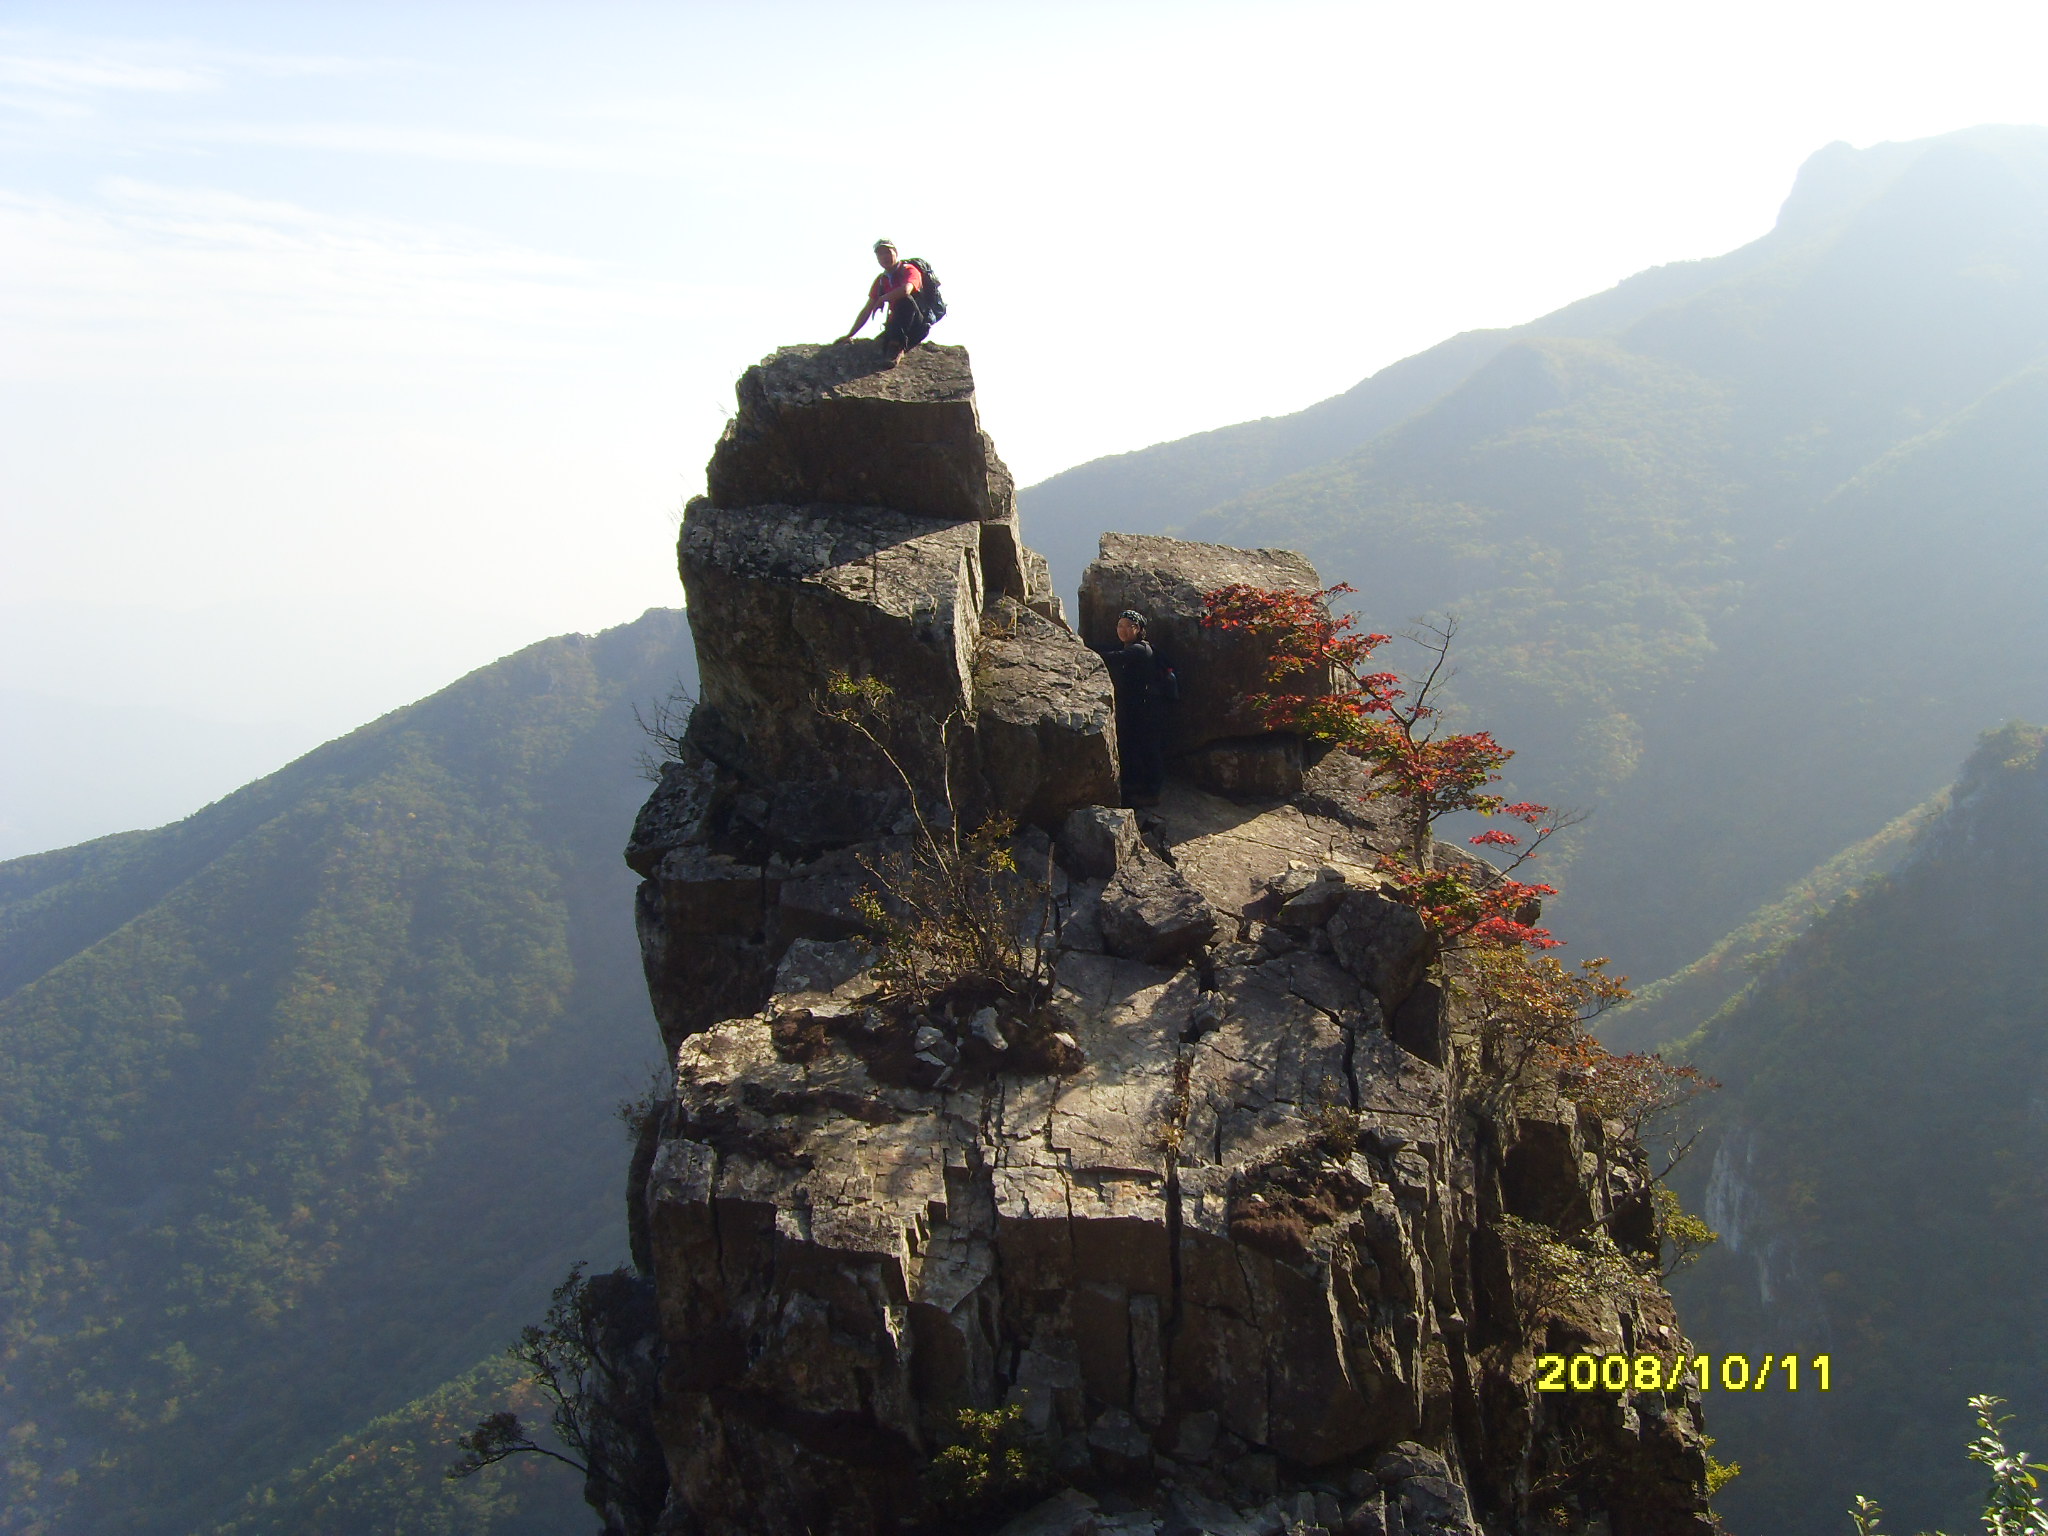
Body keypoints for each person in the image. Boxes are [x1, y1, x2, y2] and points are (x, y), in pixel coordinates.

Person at [1099, 609, 1167, 806]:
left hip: (1147, 710)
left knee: (1148, 748)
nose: (1122, 629)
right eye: (1119, 625)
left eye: (1127, 626)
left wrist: (1086, 653)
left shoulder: (1140, 649)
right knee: (1135, 746)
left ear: (1137, 629)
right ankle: (1137, 787)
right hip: (1138, 708)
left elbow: (1115, 657)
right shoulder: (1133, 647)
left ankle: (1151, 793)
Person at [836, 239, 930, 362]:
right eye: (880, 254)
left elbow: (906, 290)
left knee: (905, 300)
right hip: (896, 325)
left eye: (887, 252)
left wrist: (883, 298)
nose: (884, 257)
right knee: (878, 346)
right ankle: (893, 344)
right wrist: (850, 334)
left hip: (917, 324)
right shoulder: (881, 280)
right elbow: (867, 309)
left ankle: (897, 346)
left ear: (895, 253)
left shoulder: (909, 270)